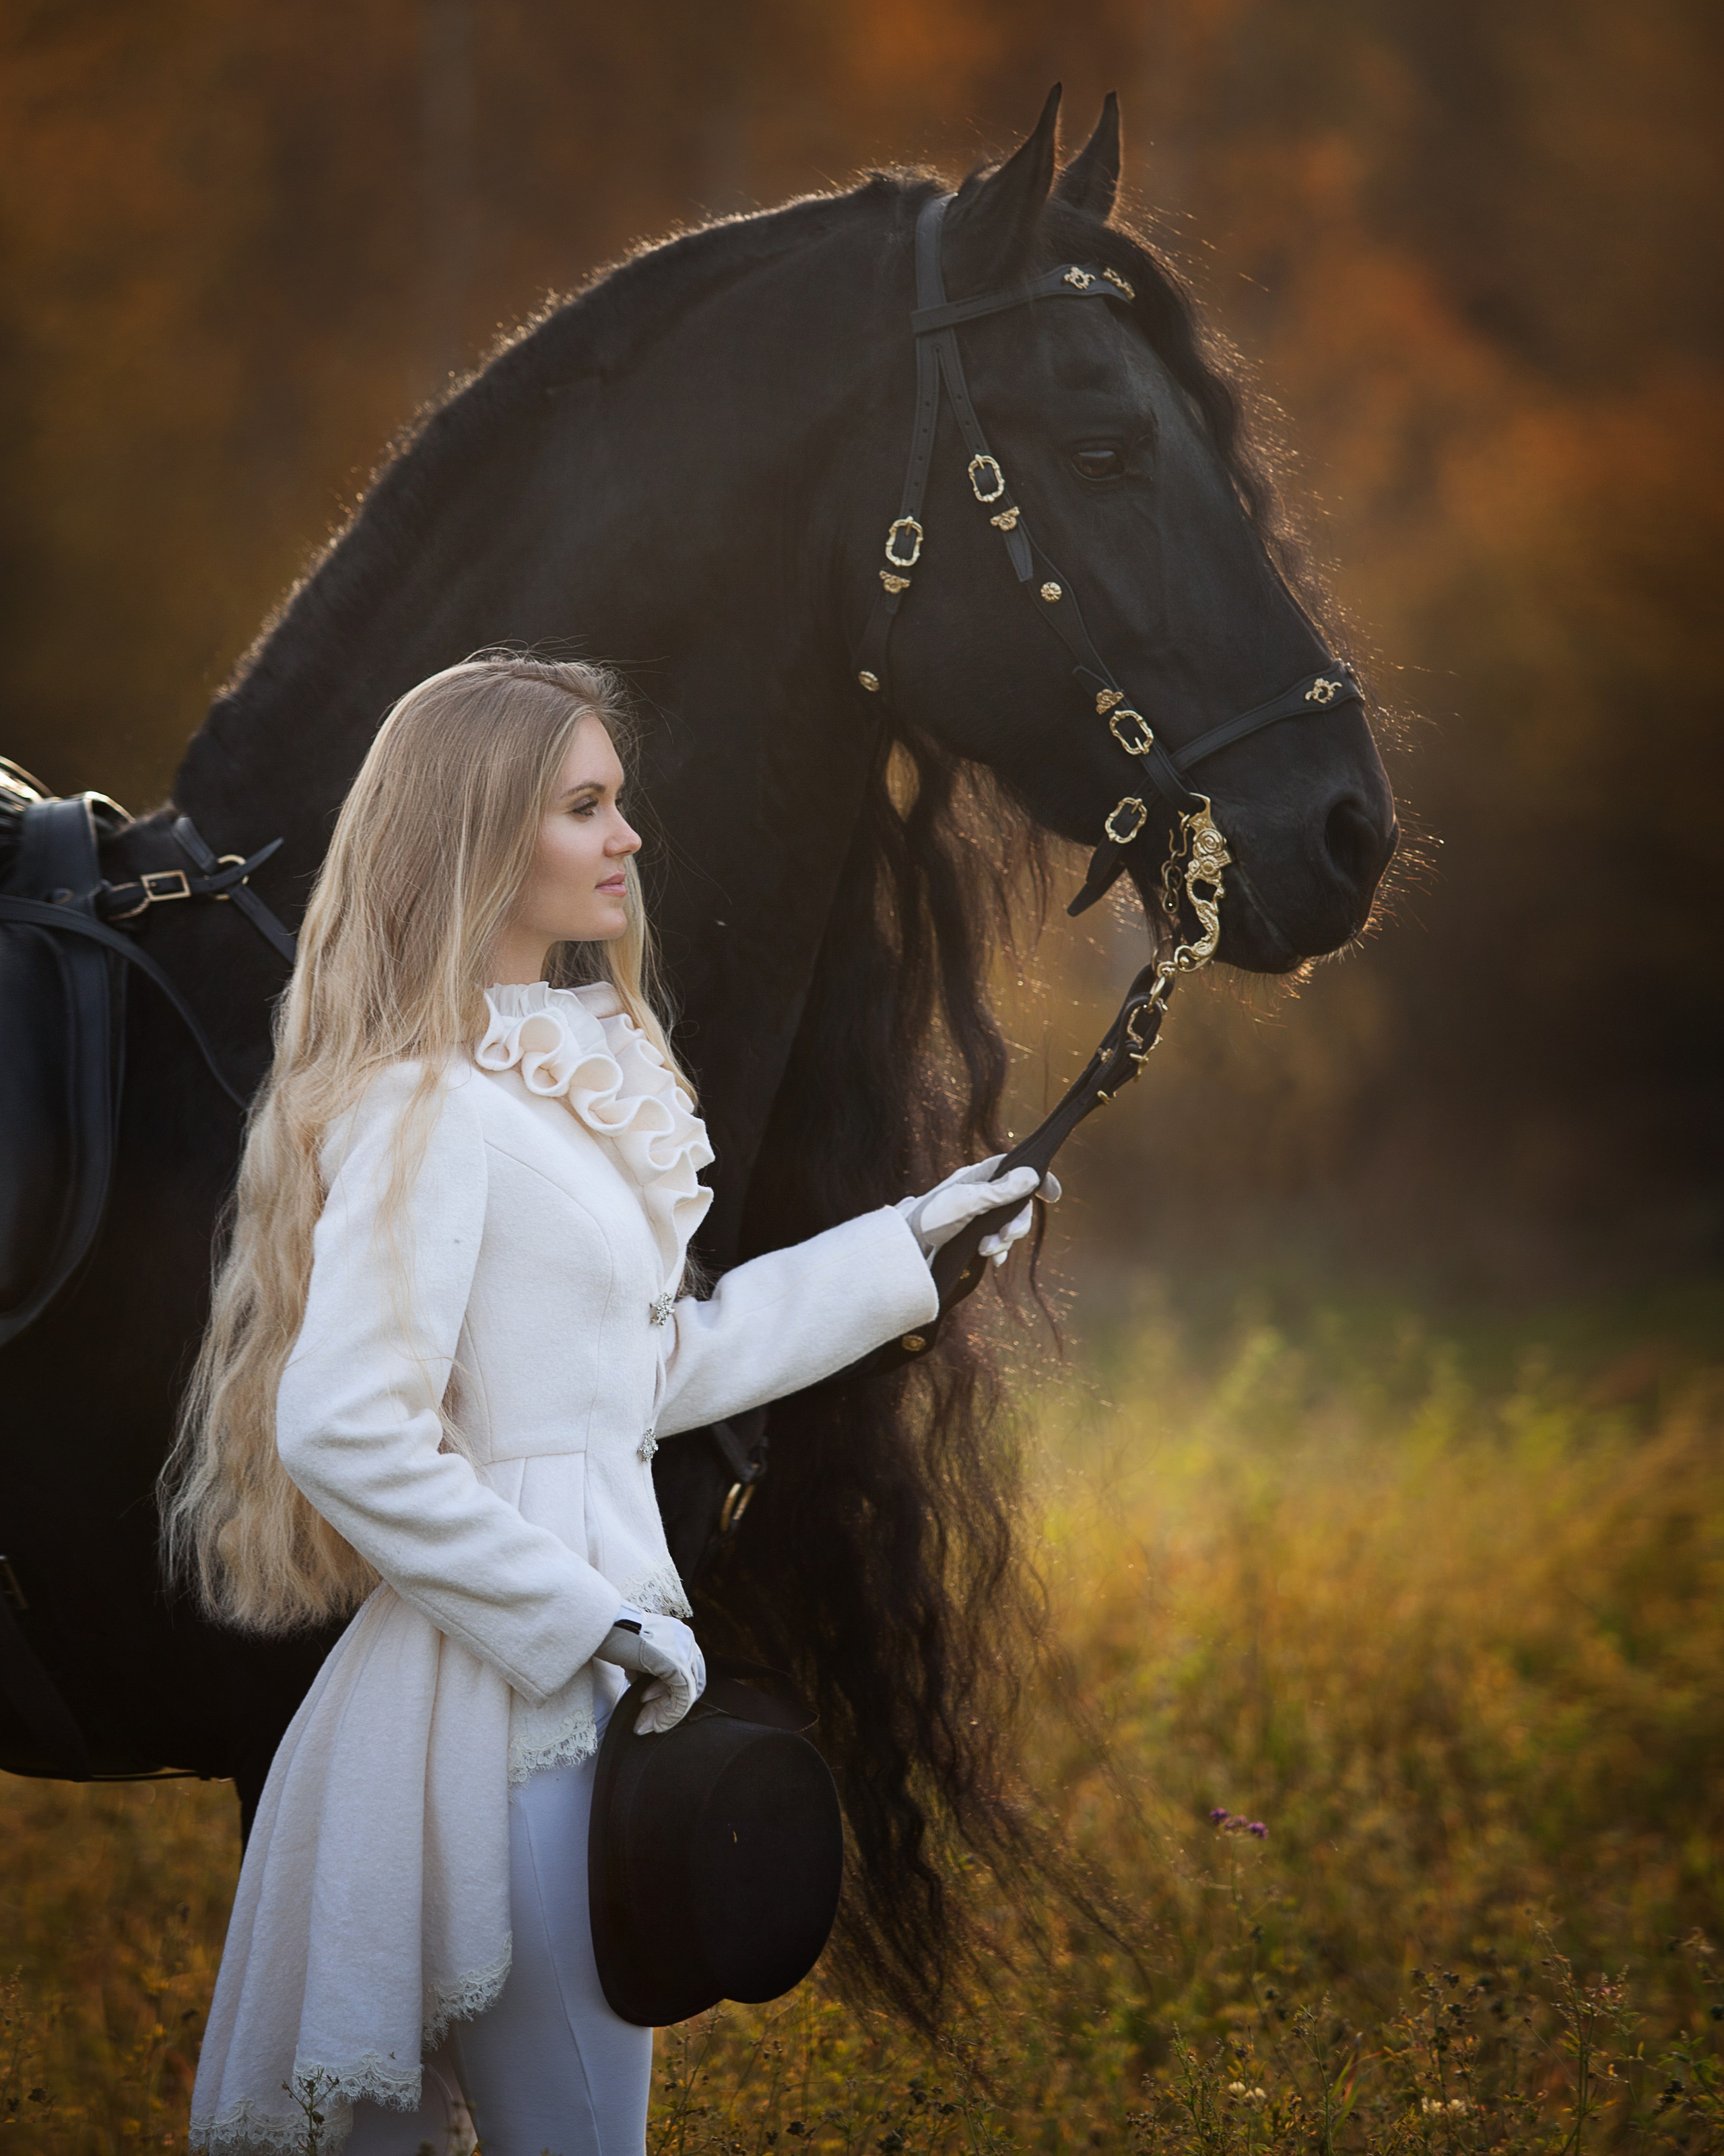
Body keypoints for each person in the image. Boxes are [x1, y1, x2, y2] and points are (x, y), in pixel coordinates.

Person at [163, 654, 1053, 2156]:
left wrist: (906, 1249)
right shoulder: (433, 1105)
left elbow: (656, 1364)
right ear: (482, 837)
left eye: (616, 801)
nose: (627, 836)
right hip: (505, 1705)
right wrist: (585, 1620)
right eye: (585, 806)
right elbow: (341, 1425)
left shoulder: (542, 1085)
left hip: (575, 1681)